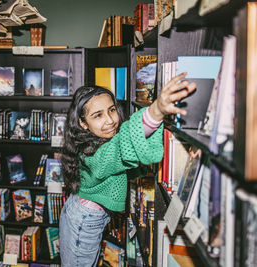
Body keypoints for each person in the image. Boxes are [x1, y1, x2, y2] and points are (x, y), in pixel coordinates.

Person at [59, 73, 197, 267]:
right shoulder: (94, 153)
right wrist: (155, 111)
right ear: (83, 123)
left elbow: (119, 168)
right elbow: (120, 147)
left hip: (83, 215)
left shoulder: (92, 141)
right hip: (84, 220)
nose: (110, 120)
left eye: (112, 110)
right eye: (97, 115)